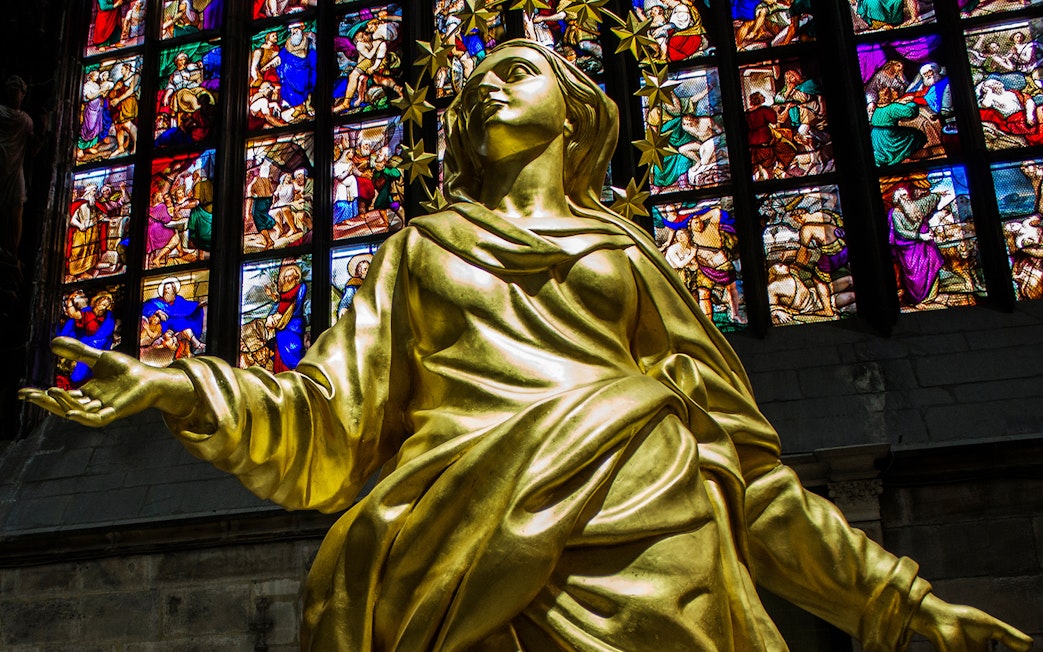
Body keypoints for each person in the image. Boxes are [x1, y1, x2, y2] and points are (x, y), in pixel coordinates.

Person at [22, 41, 1033, 652]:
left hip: (651, 545)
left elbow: (752, 477)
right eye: (466, 93)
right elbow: (324, 422)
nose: (479, 94)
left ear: (577, 114)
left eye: (511, 74)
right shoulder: (421, 251)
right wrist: (181, 390)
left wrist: (896, 606)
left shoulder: (627, 255)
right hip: (448, 562)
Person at [889, 185, 948, 306]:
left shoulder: (913, 207)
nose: (907, 197)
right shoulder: (895, 213)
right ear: (897, 199)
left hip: (923, 244)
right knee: (915, 272)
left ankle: (931, 296)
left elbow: (926, 201)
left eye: (906, 194)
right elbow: (901, 231)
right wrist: (921, 236)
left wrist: (937, 195)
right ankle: (917, 299)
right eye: (903, 195)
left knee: (933, 261)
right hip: (907, 247)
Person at [0, 76, 36, 256]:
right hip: (2, 161)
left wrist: (43, 135)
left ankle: (11, 251)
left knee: (16, 208)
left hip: (16, 169)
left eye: (20, 93)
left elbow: (32, 151)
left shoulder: (26, 121)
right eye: (14, 92)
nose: (17, 96)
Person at [263, 264, 307, 372]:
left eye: (290, 276)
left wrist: (284, 317)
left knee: (294, 347)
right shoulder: (283, 293)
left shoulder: (301, 287)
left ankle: (295, 371)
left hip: (294, 324)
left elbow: (299, 304)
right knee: (280, 349)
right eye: (286, 277)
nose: (287, 279)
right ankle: (279, 373)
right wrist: (271, 317)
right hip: (281, 326)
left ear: (296, 277)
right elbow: (277, 305)